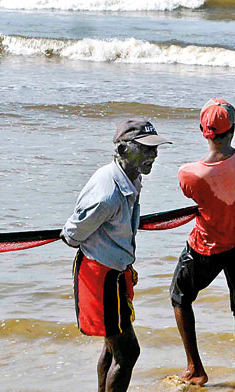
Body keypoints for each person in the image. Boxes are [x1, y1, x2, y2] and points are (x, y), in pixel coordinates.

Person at [61, 119, 170, 392]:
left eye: (154, 149)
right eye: (145, 150)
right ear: (122, 151)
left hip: (117, 270)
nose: (153, 156)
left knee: (112, 349)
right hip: (100, 275)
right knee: (128, 353)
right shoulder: (106, 195)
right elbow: (72, 236)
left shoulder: (133, 176)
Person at [170, 99, 235, 391]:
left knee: (180, 296)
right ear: (233, 130)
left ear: (202, 131)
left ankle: (196, 368)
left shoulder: (189, 174)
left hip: (206, 246)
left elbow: (195, 196)